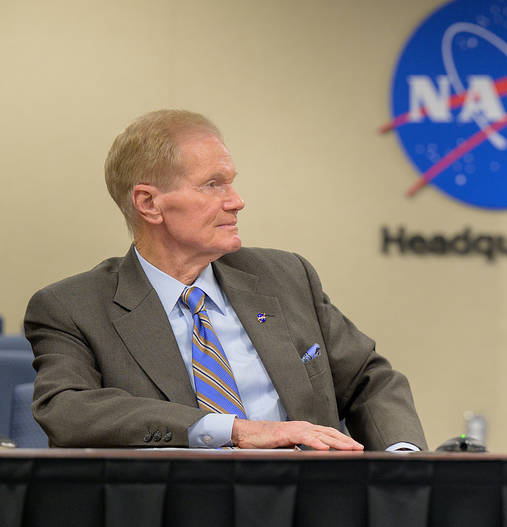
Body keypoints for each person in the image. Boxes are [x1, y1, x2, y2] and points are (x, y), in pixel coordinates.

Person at [24, 110, 427, 451]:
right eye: (213, 184)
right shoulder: (72, 307)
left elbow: (369, 380)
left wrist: (403, 462)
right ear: (149, 203)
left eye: (231, 181)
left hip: (308, 501)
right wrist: (234, 429)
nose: (236, 200)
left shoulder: (285, 277)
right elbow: (67, 409)